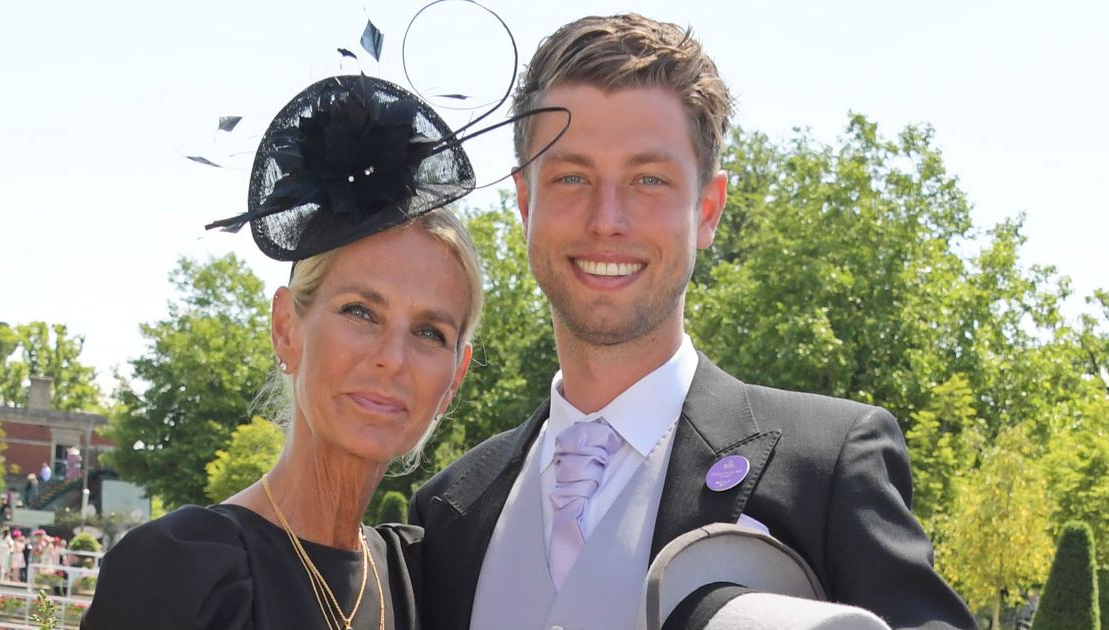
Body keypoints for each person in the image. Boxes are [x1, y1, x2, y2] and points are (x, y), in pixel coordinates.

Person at [409, 13, 979, 630]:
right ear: (526, 204)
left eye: (648, 180)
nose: (607, 219)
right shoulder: (445, 511)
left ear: (707, 210)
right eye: (572, 177)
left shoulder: (830, 466)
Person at [82, 71, 492, 630]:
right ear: (286, 328)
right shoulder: (185, 573)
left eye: (429, 333)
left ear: (454, 379)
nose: (391, 358)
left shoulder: (416, 583)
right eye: (360, 312)